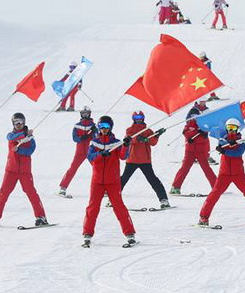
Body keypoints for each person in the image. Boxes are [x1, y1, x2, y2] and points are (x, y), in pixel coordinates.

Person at [198, 118, 245, 226]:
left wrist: (227, 149)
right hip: (224, 175)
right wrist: (223, 146)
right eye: (229, 128)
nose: (231, 130)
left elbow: (237, 153)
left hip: (238, 174)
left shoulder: (241, 142)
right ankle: (203, 218)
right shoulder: (222, 139)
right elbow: (221, 143)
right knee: (214, 195)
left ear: (237, 129)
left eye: (233, 128)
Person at [82, 116, 136, 247]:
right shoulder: (95, 143)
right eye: (102, 126)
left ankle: (130, 233)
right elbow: (90, 157)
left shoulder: (116, 142)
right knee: (92, 207)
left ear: (110, 127)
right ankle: (87, 234)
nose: (104, 129)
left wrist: (126, 145)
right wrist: (101, 155)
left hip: (113, 181)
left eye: (106, 126)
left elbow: (124, 156)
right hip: (97, 181)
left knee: (118, 207)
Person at [0, 113, 47, 230]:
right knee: (3, 192)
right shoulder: (12, 135)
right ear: (13, 123)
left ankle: (41, 217)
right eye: (16, 122)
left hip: (25, 170)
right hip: (11, 170)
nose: (19, 124)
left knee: (31, 192)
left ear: (24, 122)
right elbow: (10, 138)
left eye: (21, 122)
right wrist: (24, 135)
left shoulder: (30, 137)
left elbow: (30, 150)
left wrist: (20, 149)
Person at [120, 111, 170, 209]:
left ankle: (164, 199)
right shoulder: (130, 130)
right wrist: (139, 139)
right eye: (136, 117)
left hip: (145, 161)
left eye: (140, 117)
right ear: (133, 118)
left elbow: (152, 143)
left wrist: (156, 135)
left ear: (143, 118)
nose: (139, 119)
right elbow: (129, 139)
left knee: (153, 180)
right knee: (123, 179)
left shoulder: (148, 130)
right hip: (132, 160)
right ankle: (112, 199)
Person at [170, 106, 217, 194]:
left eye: (196, 116)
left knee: (206, 168)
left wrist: (201, 133)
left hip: (200, 152)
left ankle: (216, 186)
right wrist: (196, 133)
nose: (194, 118)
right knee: (184, 169)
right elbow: (186, 134)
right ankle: (175, 187)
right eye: (192, 116)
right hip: (190, 152)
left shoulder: (203, 127)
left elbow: (203, 140)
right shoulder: (188, 126)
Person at [58, 106, 97, 197]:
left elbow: (96, 138)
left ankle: (104, 189)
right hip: (79, 151)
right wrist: (81, 138)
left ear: (89, 114)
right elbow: (74, 138)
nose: (85, 115)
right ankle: (63, 187)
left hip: (90, 151)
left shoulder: (93, 126)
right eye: (83, 113)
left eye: (86, 113)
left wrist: (94, 132)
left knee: (97, 168)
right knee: (73, 168)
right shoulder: (77, 125)